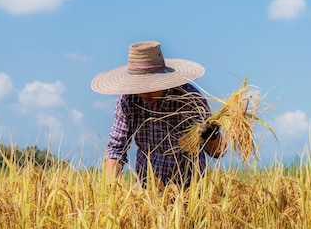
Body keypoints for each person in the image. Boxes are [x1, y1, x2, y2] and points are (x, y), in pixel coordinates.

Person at [91, 40, 226, 188]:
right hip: (147, 189)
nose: (145, 92)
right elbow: (116, 148)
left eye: (151, 85)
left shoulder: (189, 99)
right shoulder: (128, 100)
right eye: (140, 86)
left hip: (189, 190)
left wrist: (213, 135)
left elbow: (217, 152)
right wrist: (108, 189)